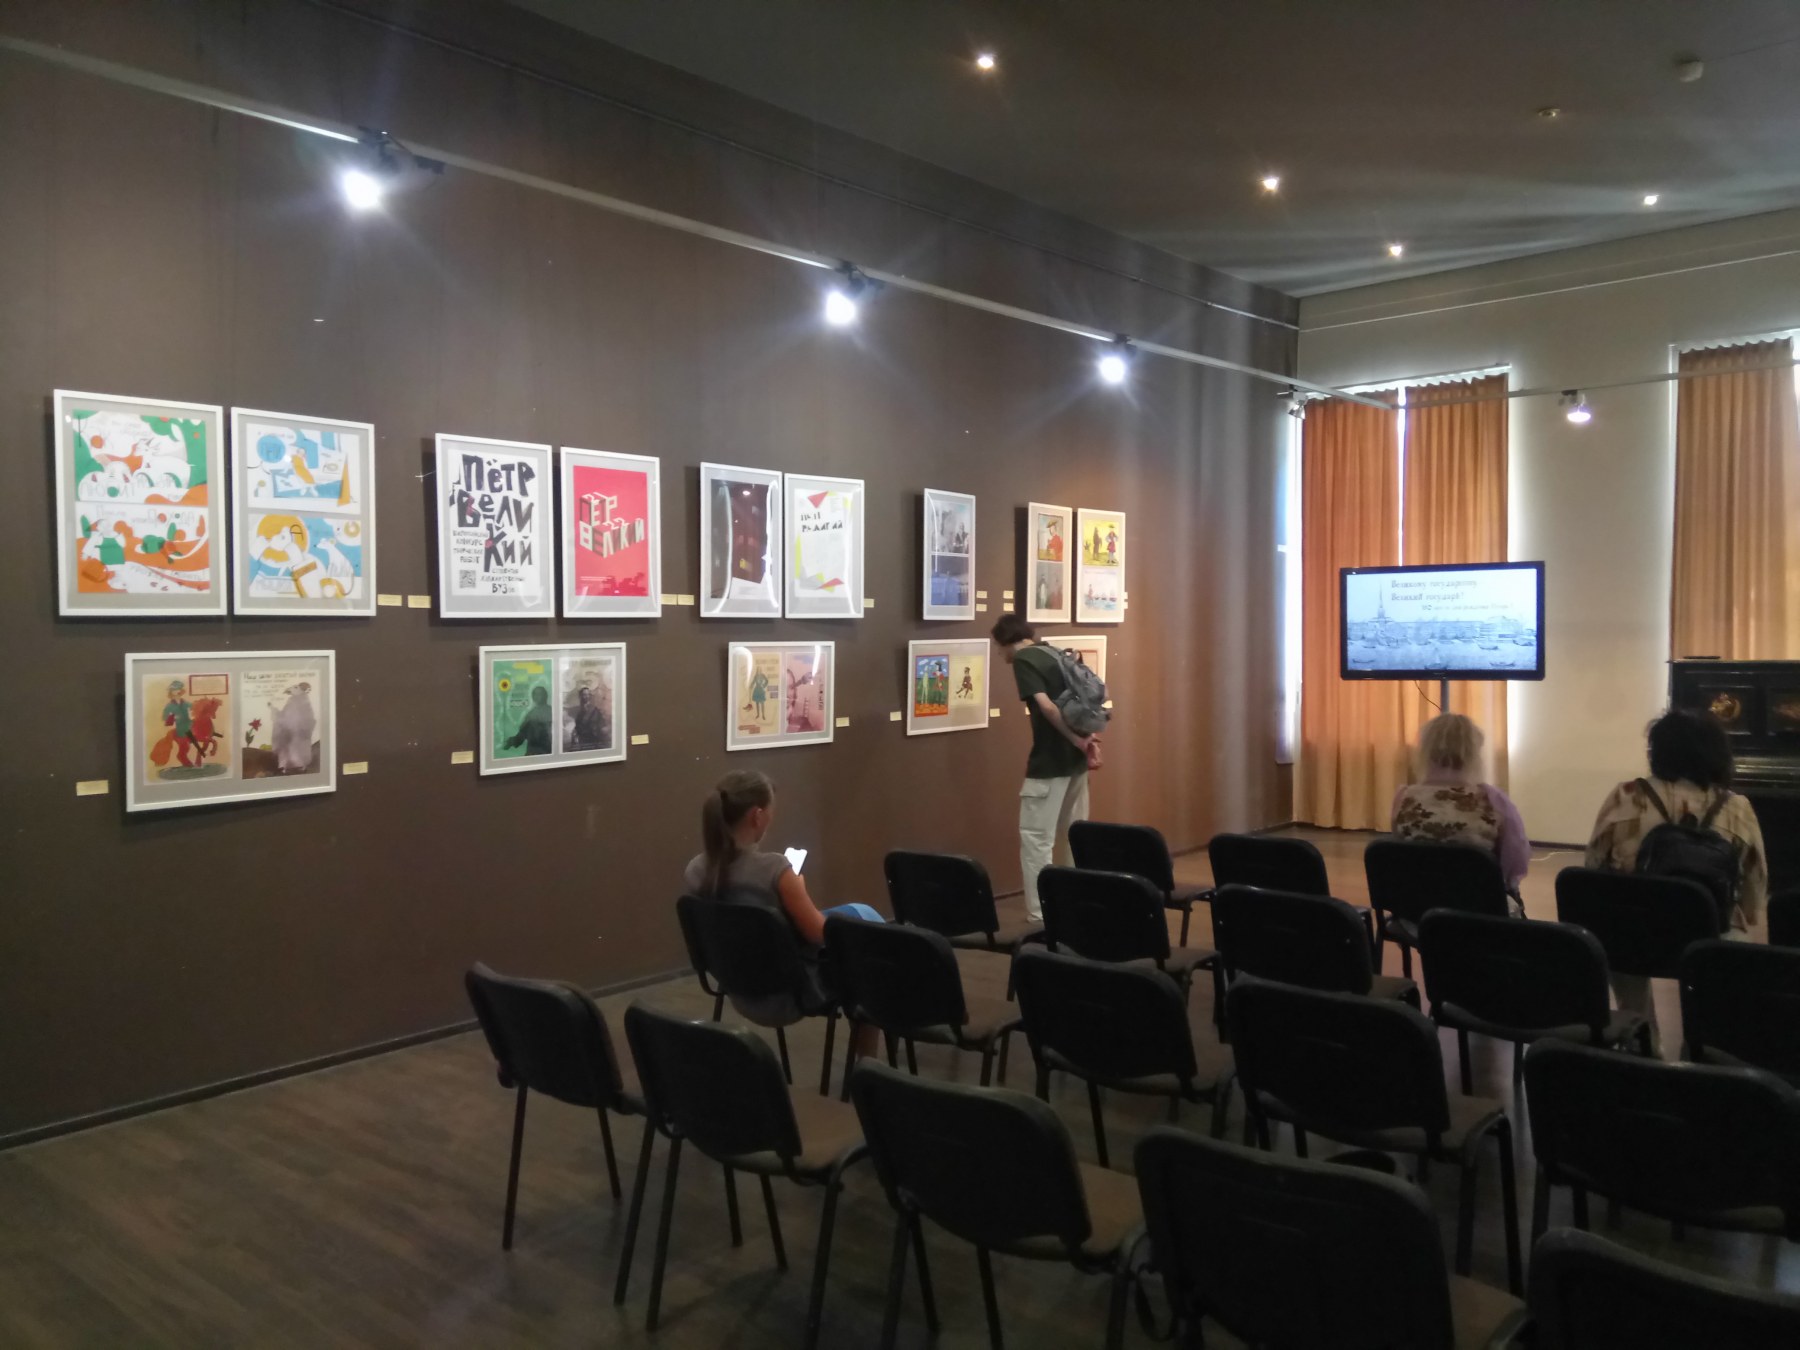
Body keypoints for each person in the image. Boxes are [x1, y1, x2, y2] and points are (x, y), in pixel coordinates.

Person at [1585, 708, 1769, 1046]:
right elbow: (1754, 892)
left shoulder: (1625, 795)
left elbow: (1593, 869)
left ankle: (1641, 1039)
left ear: (1657, 752)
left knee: (1616, 929)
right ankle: (1700, 1047)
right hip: (1708, 938)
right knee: (1738, 942)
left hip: (1634, 937)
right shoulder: (1737, 807)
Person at [682, 770, 882, 1028]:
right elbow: (820, 935)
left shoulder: (696, 870)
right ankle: (874, 1047)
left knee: (859, 912)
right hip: (792, 991)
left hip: (736, 985)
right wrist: (798, 888)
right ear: (757, 816)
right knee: (869, 942)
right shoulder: (776, 870)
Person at [992, 613, 1099, 922]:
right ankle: (1075, 902)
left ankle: (1042, 912)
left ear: (1007, 641)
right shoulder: (1054, 652)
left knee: (1036, 839)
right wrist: (1085, 741)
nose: (999, 654)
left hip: (1049, 763)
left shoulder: (1025, 660)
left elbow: (1048, 707)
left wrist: (1075, 740)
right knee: (1072, 836)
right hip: (1075, 764)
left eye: (998, 647)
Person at [1390, 712, 1530, 898]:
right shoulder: (1494, 800)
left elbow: (1400, 854)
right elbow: (1515, 864)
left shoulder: (1403, 798)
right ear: (1474, 752)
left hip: (1415, 908)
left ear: (1425, 751)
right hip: (1478, 909)